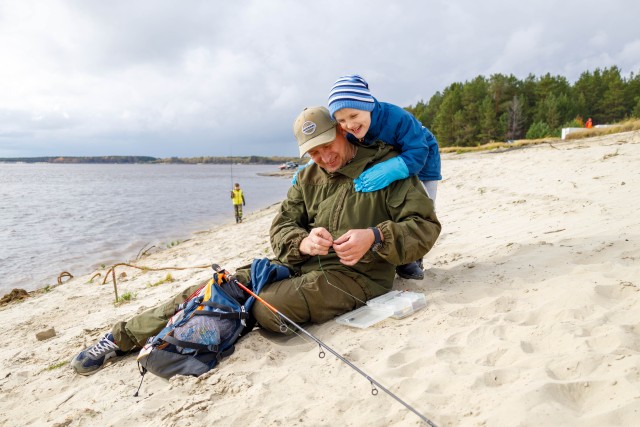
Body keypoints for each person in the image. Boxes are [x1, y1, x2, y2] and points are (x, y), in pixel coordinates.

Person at [70, 106, 441, 375]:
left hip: (359, 276)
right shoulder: (308, 176)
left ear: (344, 132)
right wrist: (302, 242)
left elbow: (425, 227)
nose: (324, 156)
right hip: (299, 266)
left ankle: (225, 321)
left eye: (328, 144)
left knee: (264, 308)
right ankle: (119, 339)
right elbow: (280, 227)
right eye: (312, 152)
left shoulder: (387, 168)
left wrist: (374, 237)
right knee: (216, 286)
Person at [327, 74, 442, 280]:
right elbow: (338, 146)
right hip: (389, 157)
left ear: (368, 105)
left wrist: (393, 168)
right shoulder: (348, 130)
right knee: (392, 206)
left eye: (354, 116)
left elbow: (418, 150)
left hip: (423, 160)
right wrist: (312, 165)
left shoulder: (397, 118)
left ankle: (414, 259)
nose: (349, 125)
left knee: (421, 207)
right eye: (341, 120)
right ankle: (394, 253)